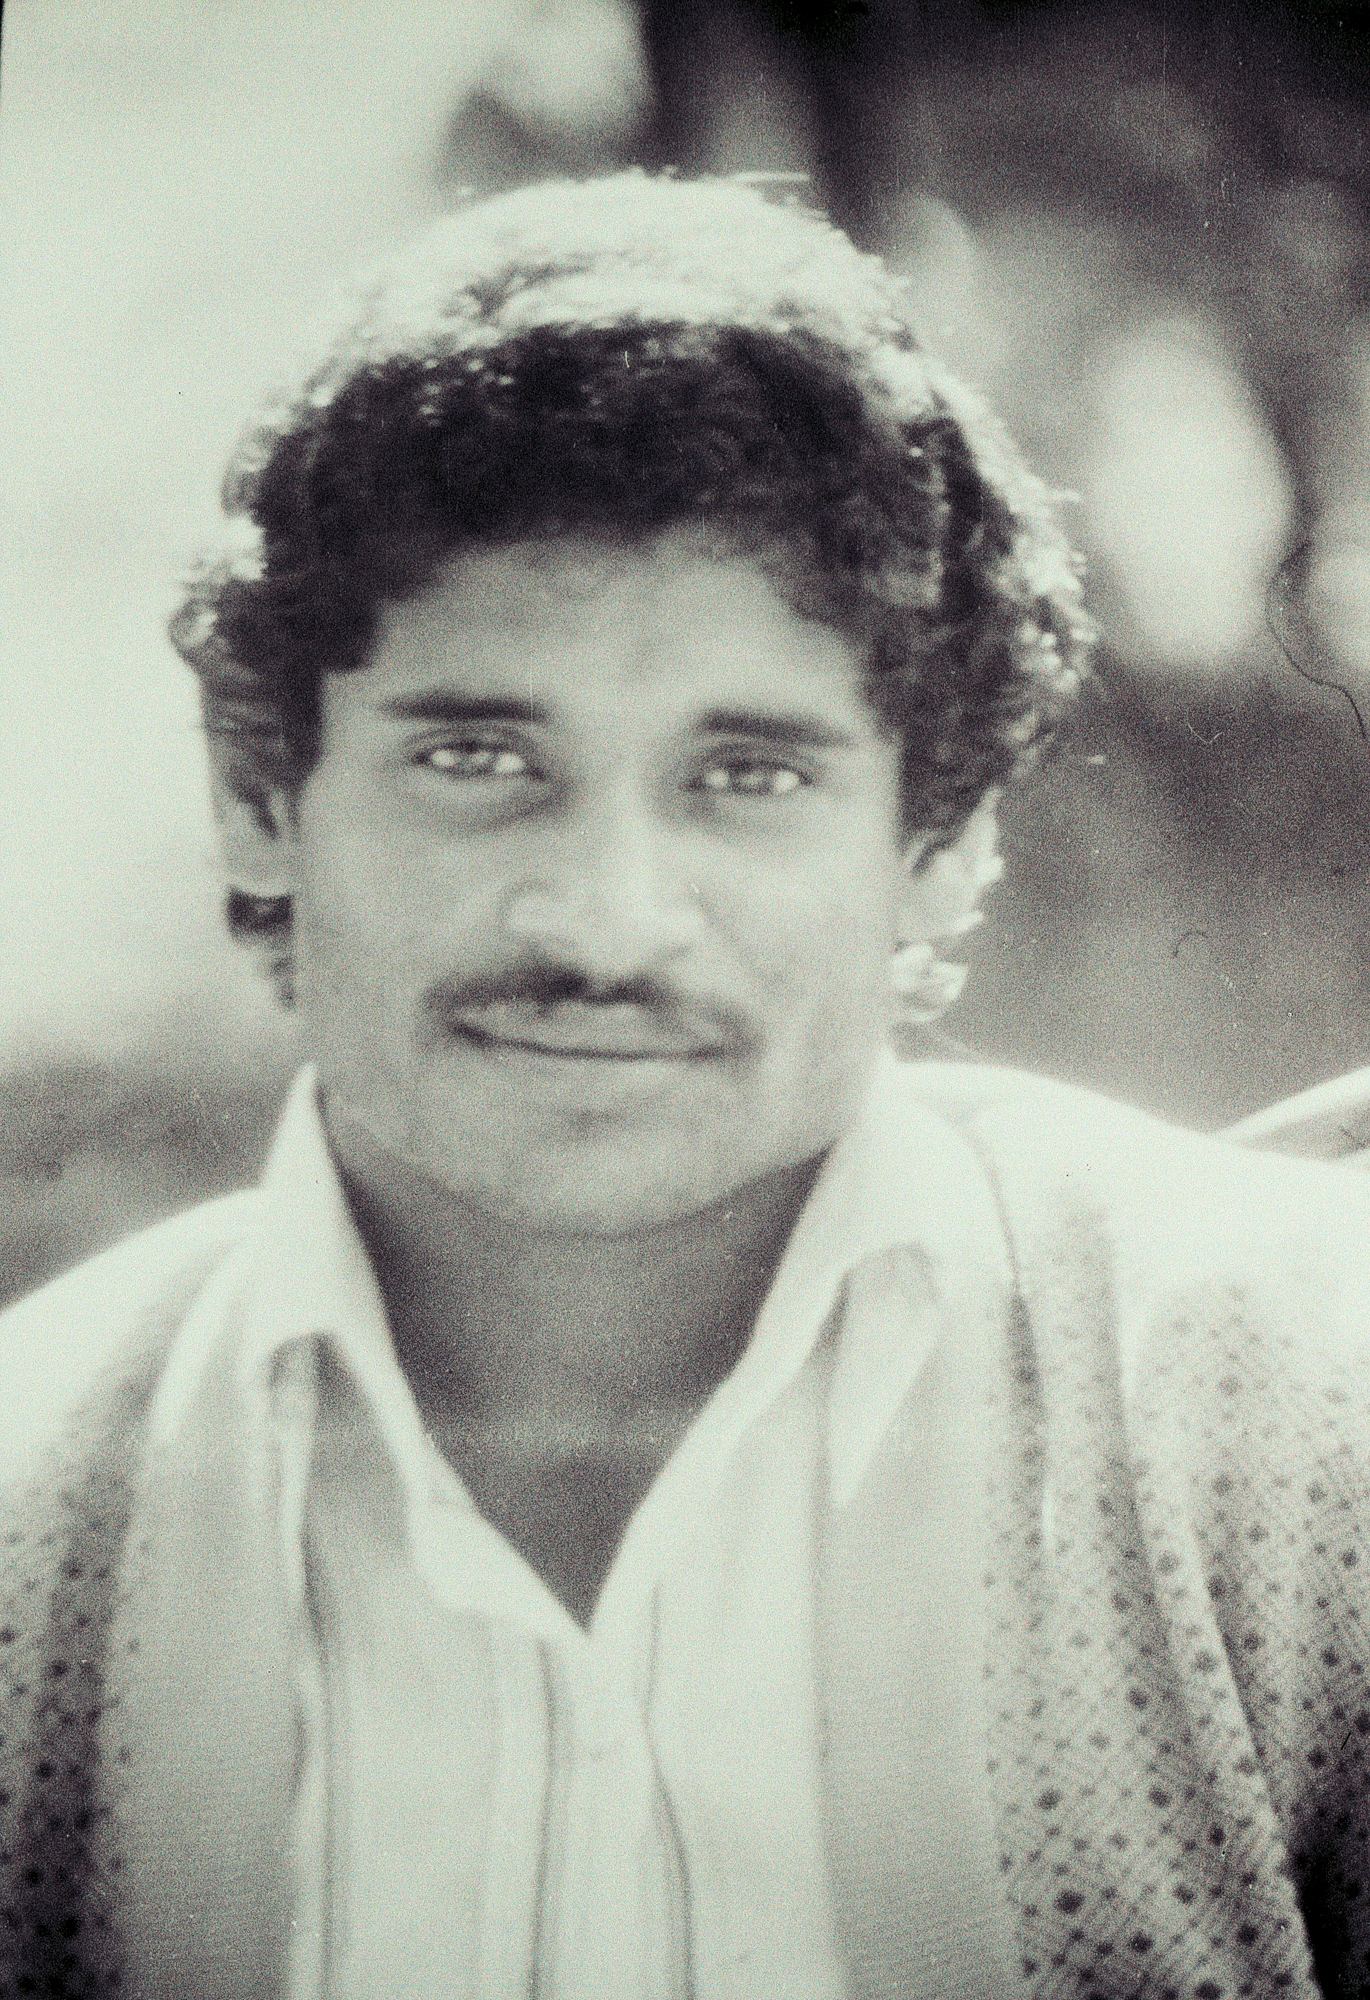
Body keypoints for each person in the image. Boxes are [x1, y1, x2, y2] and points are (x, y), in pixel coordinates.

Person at [2, 172, 1368, 2000]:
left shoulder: (1292, 1421)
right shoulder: (28, 1508)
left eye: (749, 778)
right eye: (477, 757)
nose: (602, 917)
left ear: (939, 845)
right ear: (260, 796)